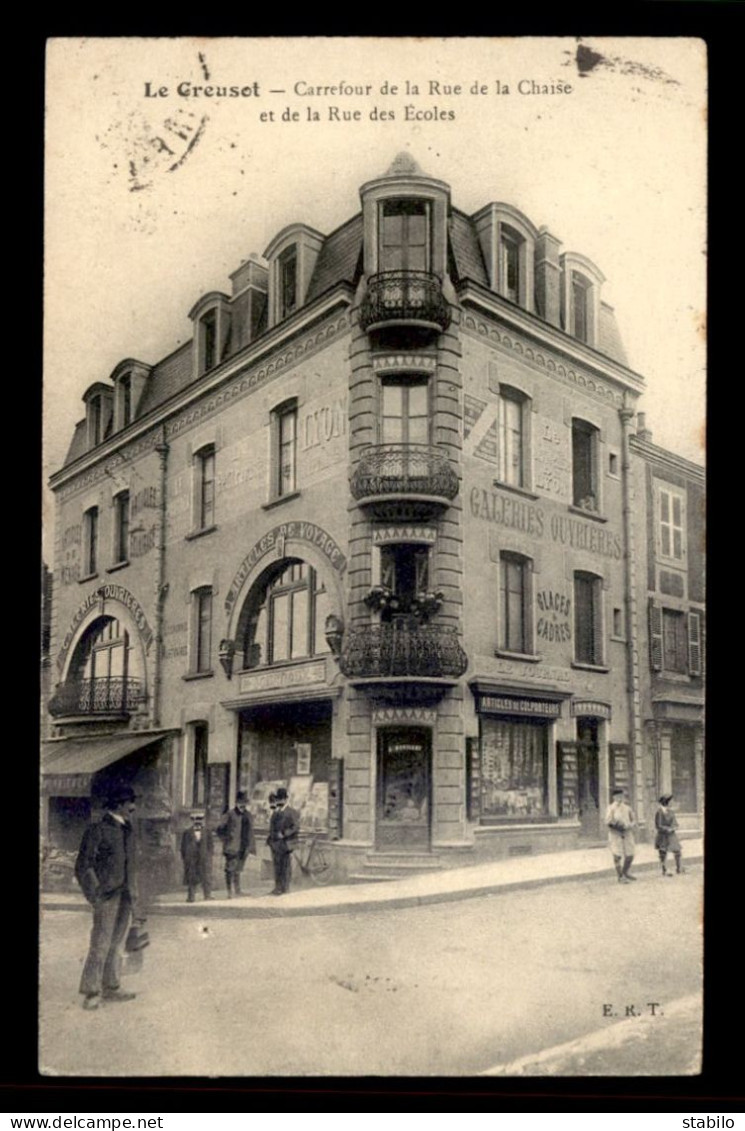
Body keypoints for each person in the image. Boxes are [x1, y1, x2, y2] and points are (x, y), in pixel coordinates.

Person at [75, 784, 139, 1011]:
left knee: (116, 943)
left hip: (125, 896)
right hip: (107, 897)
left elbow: (130, 865)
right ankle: (91, 992)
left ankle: (111, 986)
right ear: (119, 805)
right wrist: (96, 895)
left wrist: (134, 894)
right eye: (130, 802)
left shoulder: (127, 829)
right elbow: (83, 866)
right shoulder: (98, 830)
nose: (133, 807)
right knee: (100, 944)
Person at [216, 790, 255, 897]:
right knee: (230, 869)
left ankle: (238, 890)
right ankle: (229, 892)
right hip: (232, 846)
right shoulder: (230, 814)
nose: (243, 804)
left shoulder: (248, 815)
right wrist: (226, 839)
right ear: (237, 802)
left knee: (238, 869)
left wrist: (250, 846)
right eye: (241, 801)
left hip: (243, 847)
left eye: (245, 802)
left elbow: (250, 831)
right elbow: (219, 829)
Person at [267, 787, 300, 895]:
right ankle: (277, 887)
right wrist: (270, 840)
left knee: (285, 866)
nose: (280, 801)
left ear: (286, 800)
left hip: (286, 843)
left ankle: (285, 888)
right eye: (278, 799)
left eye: (282, 799)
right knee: (276, 866)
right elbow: (271, 827)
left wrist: (285, 833)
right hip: (275, 844)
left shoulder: (291, 812)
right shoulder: (275, 812)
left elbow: (295, 827)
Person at [180, 811, 214, 902]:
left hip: (204, 857)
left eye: (200, 819)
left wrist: (209, 856)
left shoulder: (207, 831)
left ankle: (207, 895)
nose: (198, 822)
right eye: (196, 820)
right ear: (192, 820)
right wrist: (185, 858)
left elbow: (210, 845)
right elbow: (183, 846)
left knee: (206, 876)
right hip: (192, 858)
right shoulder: (187, 832)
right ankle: (191, 897)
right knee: (192, 877)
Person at [605, 786, 637, 883]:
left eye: (621, 796)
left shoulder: (627, 808)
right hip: (616, 834)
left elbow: (634, 820)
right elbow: (608, 821)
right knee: (617, 855)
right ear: (614, 797)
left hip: (627, 833)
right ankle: (620, 876)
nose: (620, 798)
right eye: (617, 796)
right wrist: (617, 826)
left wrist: (630, 825)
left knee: (630, 854)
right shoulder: (611, 808)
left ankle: (625, 872)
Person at [655, 794, 684, 876]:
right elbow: (658, 825)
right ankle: (664, 869)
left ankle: (679, 868)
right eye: (670, 801)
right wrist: (667, 829)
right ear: (665, 802)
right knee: (663, 853)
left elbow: (675, 822)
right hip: (663, 835)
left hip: (671, 835)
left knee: (677, 851)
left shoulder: (671, 812)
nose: (672, 803)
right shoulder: (659, 812)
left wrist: (674, 827)